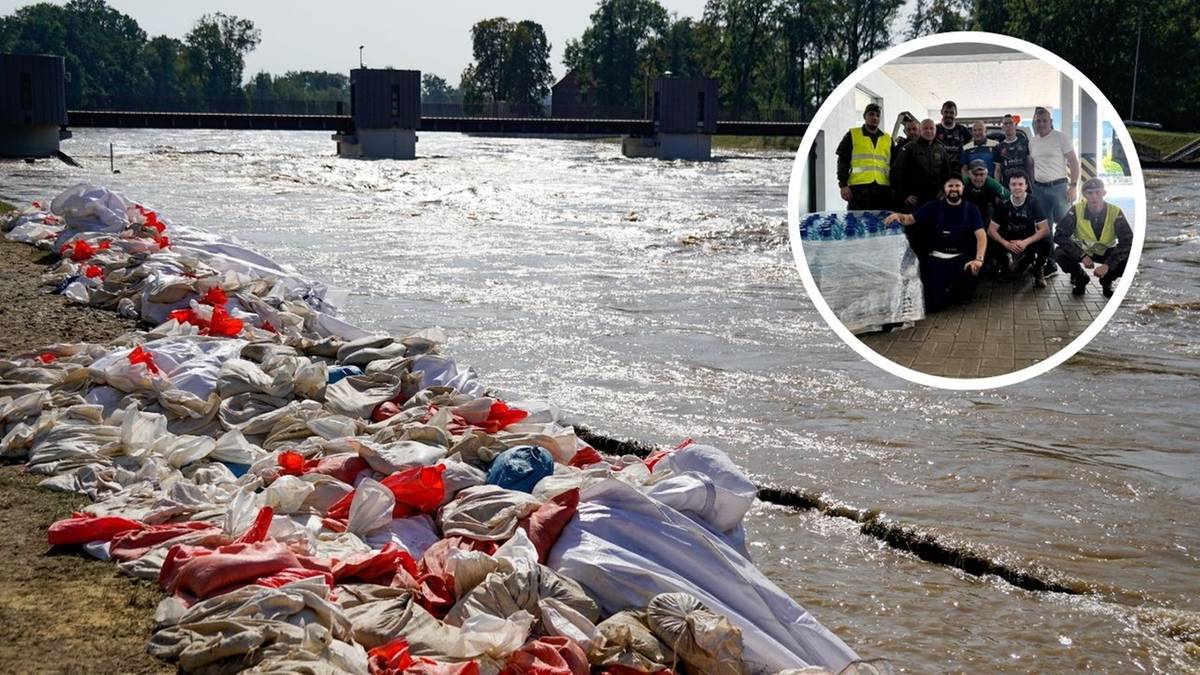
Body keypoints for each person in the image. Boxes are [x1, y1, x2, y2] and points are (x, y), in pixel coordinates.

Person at [884, 175, 987, 312]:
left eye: (957, 186)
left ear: (963, 188)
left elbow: (981, 235)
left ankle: (956, 291)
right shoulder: (932, 206)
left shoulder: (972, 209)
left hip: (961, 261)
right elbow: (909, 219)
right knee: (936, 305)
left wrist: (978, 259)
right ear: (944, 189)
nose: (954, 189)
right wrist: (898, 216)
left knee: (967, 285)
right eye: (950, 186)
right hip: (937, 260)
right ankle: (943, 291)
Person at [1054, 177, 1134, 298]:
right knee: (1060, 253)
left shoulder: (1115, 212)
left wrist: (1108, 265)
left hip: (1107, 251)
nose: (1094, 197)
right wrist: (1081, 255)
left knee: (1131, 257)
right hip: (1083, 250)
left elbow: (1128, 241)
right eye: (1089, 193)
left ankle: (1107, 280)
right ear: (1084, 195)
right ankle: (1080, 278)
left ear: (1104, 193)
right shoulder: (1076, 210)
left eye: (1098, 192)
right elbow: (1059, 235)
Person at [1029, 106, 1080, 273]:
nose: (1041, 124)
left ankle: (1074, 265)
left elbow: (1073, 162)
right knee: (1045, 229)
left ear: (1050, 122)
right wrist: (1032, 186)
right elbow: (1033, 165)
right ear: (1034, 123)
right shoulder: (1033, 141)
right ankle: (1050, 263)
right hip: (1039, 190)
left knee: (1066, 228)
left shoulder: (1060, 138)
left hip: (1059, 188)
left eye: (1044, 121)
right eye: (1038, 121)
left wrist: (1073, 186)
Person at [988, 170, 1050, 288]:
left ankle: (1038, 270)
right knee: (989, 240)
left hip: (1027, 241)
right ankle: (1005, 264)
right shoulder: (1003, 204)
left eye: (1020, 184)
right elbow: (991, 230)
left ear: (1026, 186)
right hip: (1008, 241)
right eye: (1014, 184)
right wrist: (1006, 244)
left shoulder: (1033, 202)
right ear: (1009, 186)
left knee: (1046, 241)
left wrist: (1025, 242)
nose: (1017, 188)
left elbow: (1045, 229)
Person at [835, 103, 892, 210]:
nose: (874, 118)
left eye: (877, 115)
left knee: (880, 222)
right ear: (864, 116)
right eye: (871, 114)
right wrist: (843, 185)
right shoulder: (852, 135)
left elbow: (894, 164)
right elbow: (842, 161)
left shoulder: (887, 138)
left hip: (882, 189)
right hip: (858, 190)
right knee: (856, 222)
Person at [890, 118, 953, 212]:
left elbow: (947, 173)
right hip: (915, 201)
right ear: (920, 130)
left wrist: (944, 191)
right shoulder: (909, 148)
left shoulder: (941, 149)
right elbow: (897, 171)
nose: (929, 131)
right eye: (925, 128)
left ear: (935, 131)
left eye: (932, 128)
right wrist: (904, 195)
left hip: (935, 199)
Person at [963, 158, 1010, 227]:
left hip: (986, 212)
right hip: (967, 212)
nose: (978, 178)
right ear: (969, 174)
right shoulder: (963, 182)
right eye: (975, 175)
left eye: (981, 174)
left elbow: (1008, 196)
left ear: (986, 174)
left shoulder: (992, 183)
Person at [995, 113, 1033, 185]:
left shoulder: (1025, 143)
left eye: (1010, 123)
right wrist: (998, 188)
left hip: (1023, 185)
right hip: (1007, 186)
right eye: (1005, 124)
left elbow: (1030, 166)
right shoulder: (998, 147)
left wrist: (1031, 184)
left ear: (1015, 125)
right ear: (1002, 127)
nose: (1008, 126)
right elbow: (998, 170)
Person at [934, 100, 972, 169]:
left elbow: (971, 146)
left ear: (956, 114)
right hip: (939, 171)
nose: (948, 115)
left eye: (951, 112)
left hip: (959, 171)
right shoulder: (934, 129)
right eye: (946, 112)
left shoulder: (963, 130)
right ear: (941, 112)